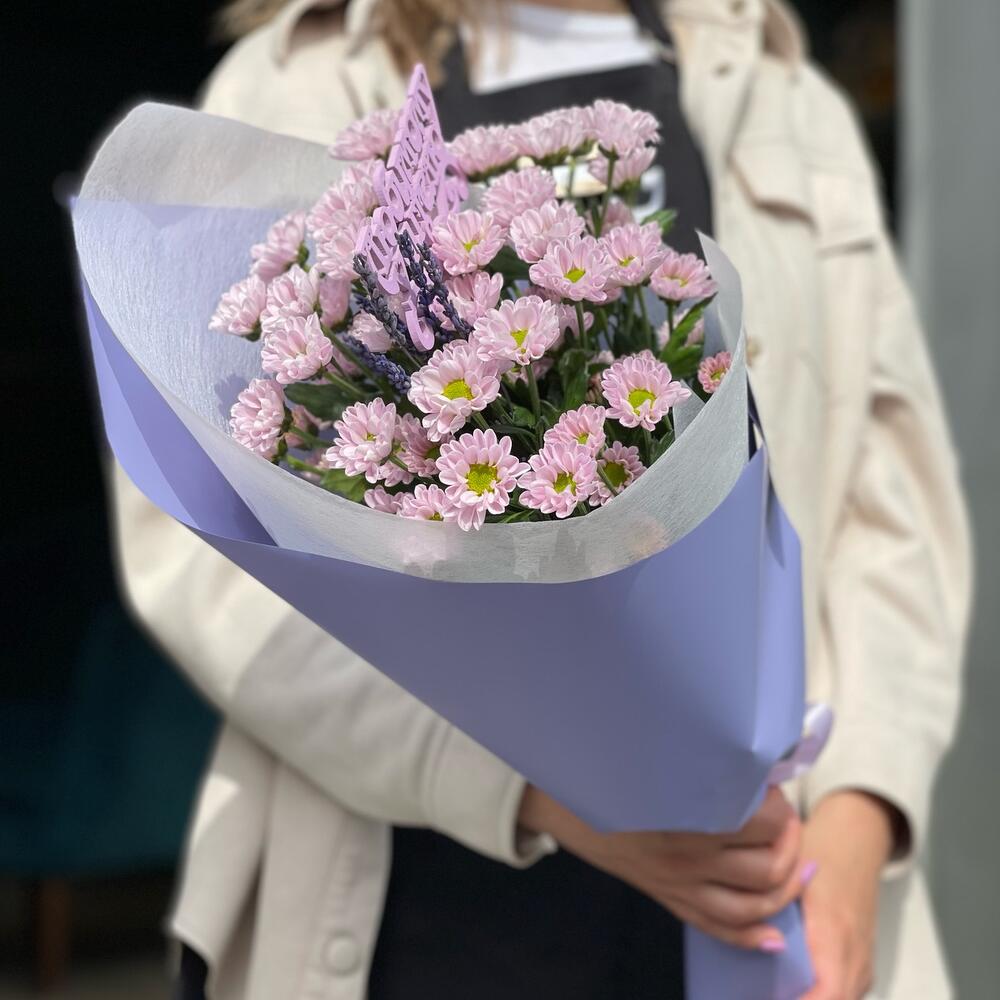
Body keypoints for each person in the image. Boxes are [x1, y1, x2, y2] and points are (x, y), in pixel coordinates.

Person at [108, 1, 971, 998]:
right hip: (427, 904)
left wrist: (859, 819)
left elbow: (889, 507)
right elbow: (212, 559)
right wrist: (539, 791)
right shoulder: (293, 82)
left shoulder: (778, 88)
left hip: (769, 884)